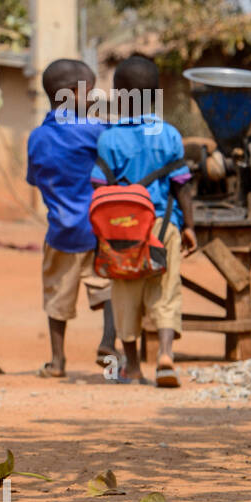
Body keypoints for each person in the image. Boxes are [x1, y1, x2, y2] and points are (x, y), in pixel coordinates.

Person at [91, 55, 197, 386]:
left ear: (119, 96)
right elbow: (182, 187)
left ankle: (133, 367)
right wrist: (189, 226)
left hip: (123, 232)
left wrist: (101, 237)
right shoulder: (169, 135)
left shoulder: (108, 139)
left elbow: (100, 188)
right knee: (166, 291)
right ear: (155, 95)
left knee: (124, 295)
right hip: (164, 226)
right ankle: (165, 355)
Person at [26, 58, 117, 378]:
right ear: (69, 94)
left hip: (61, 232)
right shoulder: (98, 132)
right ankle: (109, 343)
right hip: (99, 230)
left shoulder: (37, 138)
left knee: (56, 296)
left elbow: (34, 180)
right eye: (89, 91)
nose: (94, 97)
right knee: (108, 288)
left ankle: (57, 361)